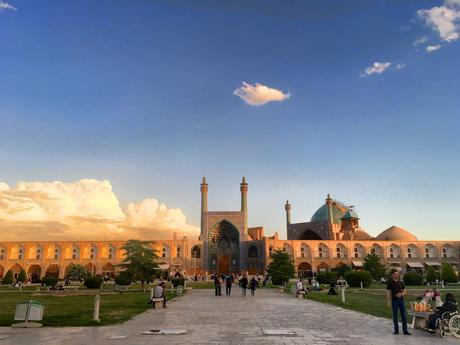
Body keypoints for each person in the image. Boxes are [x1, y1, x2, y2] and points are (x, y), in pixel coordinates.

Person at [386, 269, 410, 335]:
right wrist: (388, 301)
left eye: (397, 274)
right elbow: (388, 292)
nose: (397, 275)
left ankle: (405, 330)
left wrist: (402, 294)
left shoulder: (401, 282)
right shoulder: (390, 282)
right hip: (394, 301)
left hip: (401, 301)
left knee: (404, 316)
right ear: (392, 275)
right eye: (395, 274)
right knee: (395, 316)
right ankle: (396, 330)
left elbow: (405, 290)